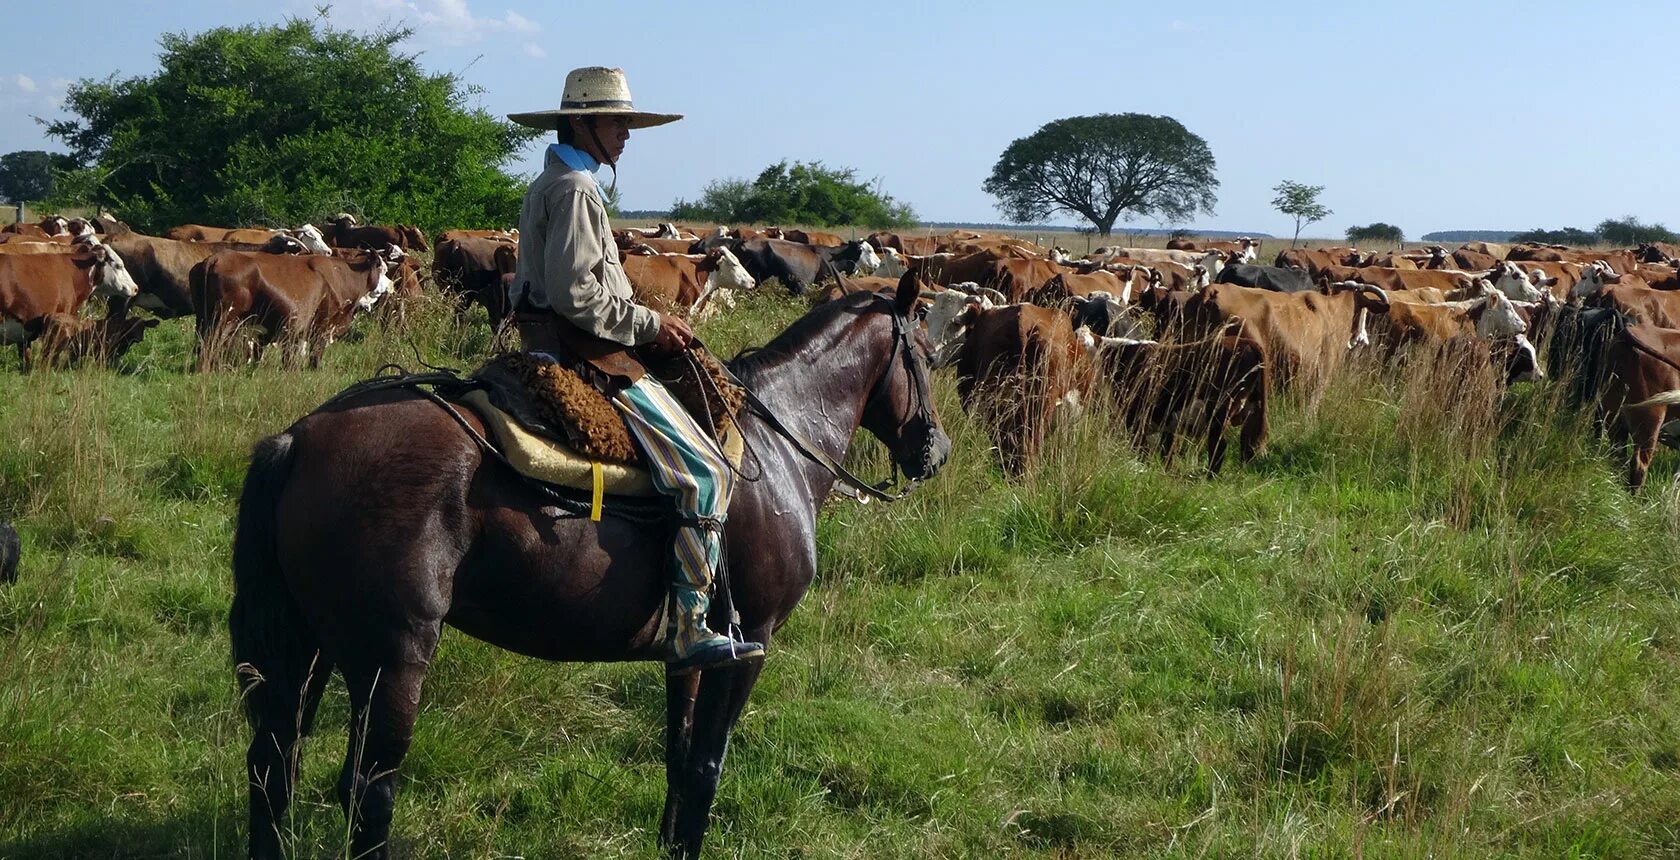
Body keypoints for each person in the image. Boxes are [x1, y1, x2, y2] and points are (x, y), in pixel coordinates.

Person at [506, 67, 764, 673]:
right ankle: (689, 626)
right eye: (617, 122)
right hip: (585, 354)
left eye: (627, 123)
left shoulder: (563, 179)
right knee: (703, 472)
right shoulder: (573, 188)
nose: (626, 134)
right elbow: (576, 294)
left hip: (563, 339)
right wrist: (652, 325)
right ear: (581, 123)